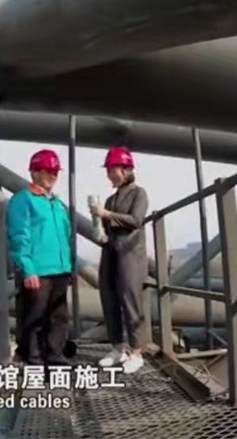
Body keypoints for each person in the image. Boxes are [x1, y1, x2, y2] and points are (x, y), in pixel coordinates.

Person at [7, 149, 73, 366]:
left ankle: (55, 356)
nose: (53, 175)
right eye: (48, 170)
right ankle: (33, 359)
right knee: (35, 317)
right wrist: (28, 268)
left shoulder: (57, 204)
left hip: (61, 269)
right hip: (39, 270)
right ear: (34, 172)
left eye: (55, 171)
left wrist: (69, 266)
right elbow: (19, 236)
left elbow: (67, 235)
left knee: (58, 316)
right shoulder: (23, 199)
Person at [91, 147, 149, 373]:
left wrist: (106, 215)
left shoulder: (139, 194)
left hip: (130, 255)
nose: (109, 174)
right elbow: (108, 226)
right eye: (108, 170)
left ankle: (136, 352)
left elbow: (135, 220)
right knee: (109, 299)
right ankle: (118, 348)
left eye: (112, 169)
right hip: (111, 252)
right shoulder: (110, 199)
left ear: (126, 170)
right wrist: (100, 228)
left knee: (130, 300)